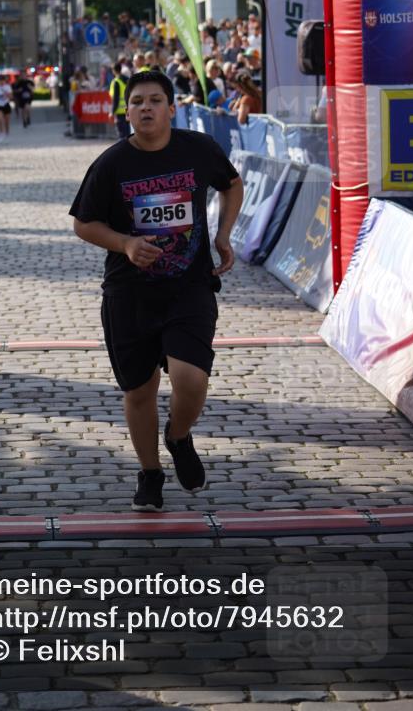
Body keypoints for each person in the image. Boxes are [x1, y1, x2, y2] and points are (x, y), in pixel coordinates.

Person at [69, 70, 243, 512]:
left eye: (154, 100)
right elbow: (84, 224)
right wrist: (126, 243)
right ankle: (150, 473)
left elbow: (232, 184)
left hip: (189, 286)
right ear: (126, 112)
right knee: (140, 391)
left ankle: (179, 436)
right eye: (136, 102)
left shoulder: (199, 150)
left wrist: (223, 235)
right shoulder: (110, 164)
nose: (145, 108)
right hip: (130, 294)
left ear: (171, 108)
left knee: (191, 378)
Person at [109, 60, 130, 140]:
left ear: (114, 70)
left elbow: (115, 99)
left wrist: (112, 112)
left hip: (119, 112)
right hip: (128, 111)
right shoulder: (127, 80)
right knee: (128, 135)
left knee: (121, 135)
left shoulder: (116, 82)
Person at [0, 73, 12, 142]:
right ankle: (1, 133)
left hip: (6, 105)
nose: (1, 82)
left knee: (6, 122)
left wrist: (5, 92)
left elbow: (10, 97)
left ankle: (7, 133)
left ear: (4, 81)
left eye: (2, 81)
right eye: (0, 81)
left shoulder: (7, 87)